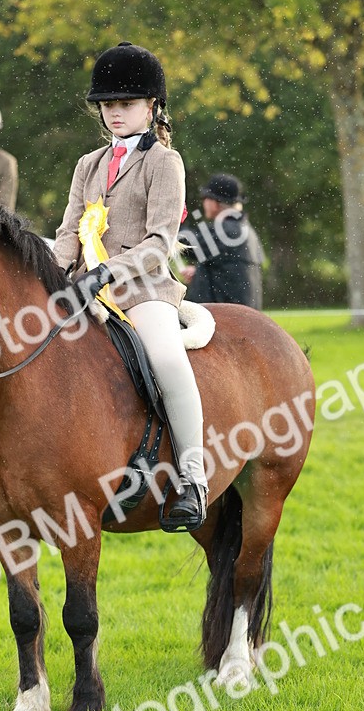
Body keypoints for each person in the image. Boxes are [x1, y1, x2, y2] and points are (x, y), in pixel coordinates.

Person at [53, 42, 208, 531]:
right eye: (108, 104)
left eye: (125, 103)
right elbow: (67, 234)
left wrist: (110, 271)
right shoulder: (86, 165)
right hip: (84, 288)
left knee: (165, 358)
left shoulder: (165, 162)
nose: (115, 112)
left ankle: (193, 477)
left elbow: (161, 240)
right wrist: (51, 273)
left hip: (141, 290)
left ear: (151, 106)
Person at [181, 173, 264, 309]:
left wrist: (170, 222)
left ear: (215, 202)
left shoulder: (227, 231)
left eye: (205, 198)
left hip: (227, 320)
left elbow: (186, 244)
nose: (203, 203)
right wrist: (200, 273)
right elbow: (229, 271)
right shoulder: (245, 230)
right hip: (243, 317)